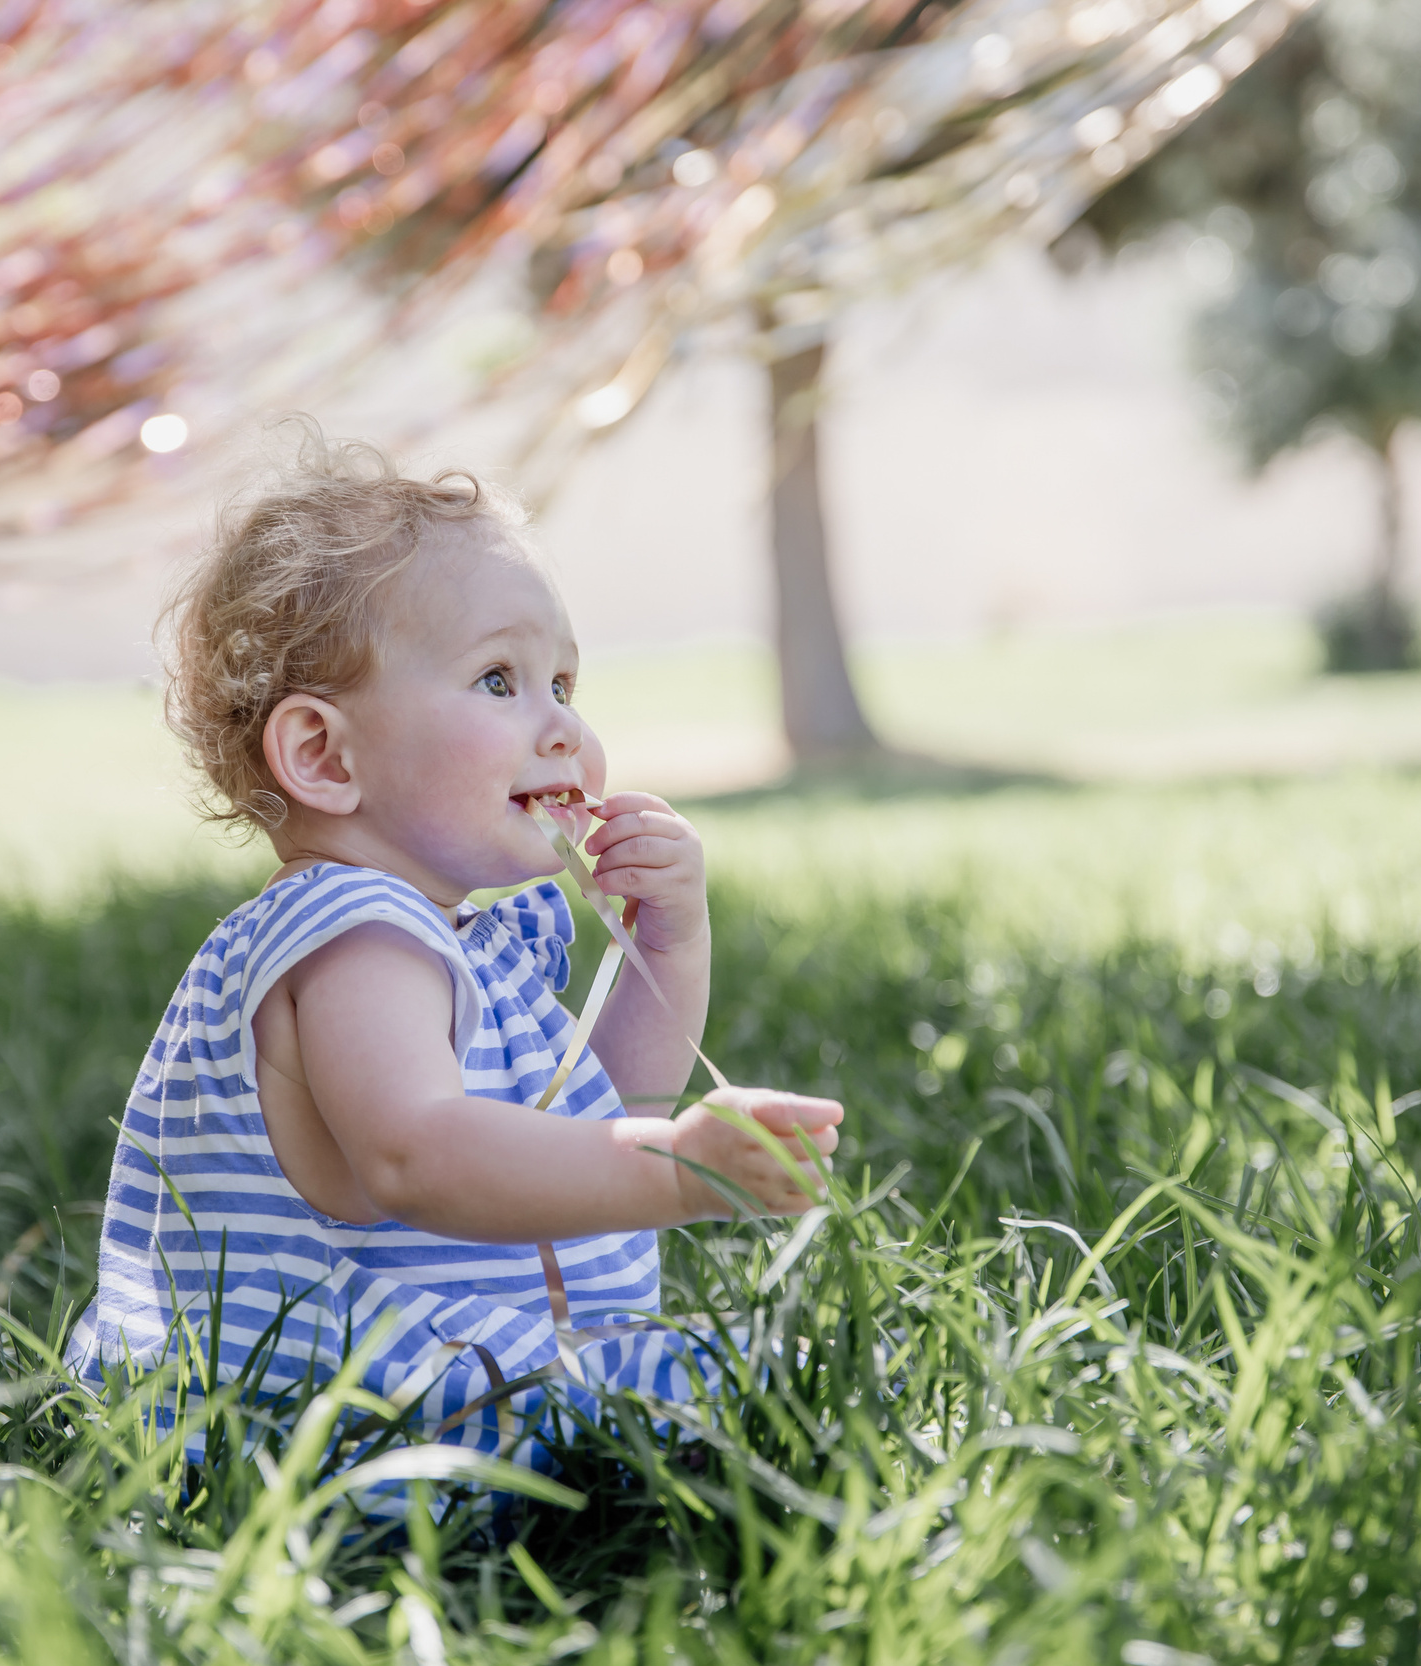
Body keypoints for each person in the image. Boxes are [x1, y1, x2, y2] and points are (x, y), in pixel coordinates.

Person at [63, 427, 841, 1482]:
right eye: (497, 680)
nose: (562, 725)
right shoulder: (352, 939)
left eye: (563, 681)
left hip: (405, 1376)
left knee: (764, 1387)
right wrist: (675, 1172)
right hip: (346, 1405)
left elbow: (589, 1116)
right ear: (324, 755)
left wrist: (670, 942)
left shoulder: (447, 931)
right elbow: (417, 1155)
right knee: (761, 1394)